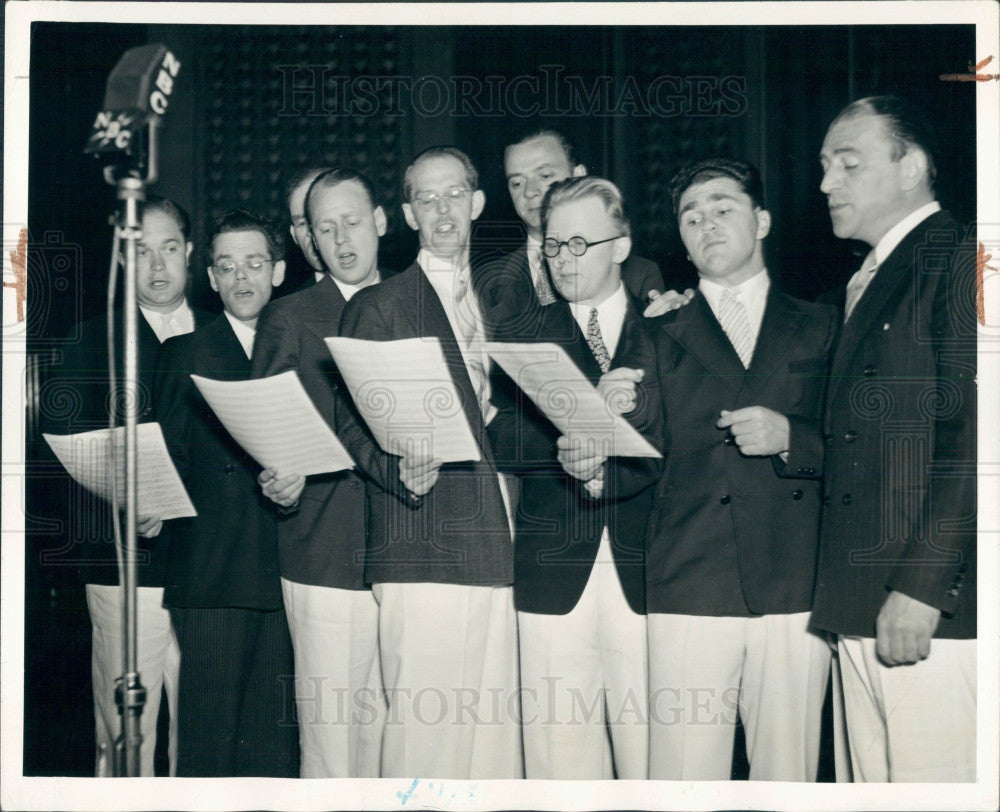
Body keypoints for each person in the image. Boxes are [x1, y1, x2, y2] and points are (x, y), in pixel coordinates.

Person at [559, 157, 837, 781]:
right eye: (692, 217)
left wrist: (793, 437)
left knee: (787, 779)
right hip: (689, 583)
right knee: (682, 783)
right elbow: (638, 458)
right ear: (679, 238)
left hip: (793, 588)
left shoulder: (821, 322)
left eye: (723, 209)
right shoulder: (654, 331)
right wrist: (593, 462)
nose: (707, 225)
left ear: (761, 221)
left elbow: (852, 446)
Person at [337, 146, 522, 779]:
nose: (442, 210)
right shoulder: (379, 305)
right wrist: (394, 470)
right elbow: (346, 422)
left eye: (453, 196)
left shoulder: (509, 299)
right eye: (426, 199)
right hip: (420, 536)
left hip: (499, 535)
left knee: (492, 741)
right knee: (424, 737)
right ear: (410, 215)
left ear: (477, 204)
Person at [811, 96, 977, 782]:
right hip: (859, 601)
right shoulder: (867, 277)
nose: (825, 184)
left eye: (849, 164)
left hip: (921, 608)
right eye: (823, 166)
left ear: (912, 168)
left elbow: (978, 439)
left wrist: (923, 585)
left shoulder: (964, 258)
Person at [488, 176, 653, 779]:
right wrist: (567, 434)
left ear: (622, 244)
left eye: (580, 243)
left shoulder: (668, 325)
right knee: (559, 760)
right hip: (551, 567)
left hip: (650, 566)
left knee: (653, 757)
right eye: (554, 246)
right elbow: (498, 438)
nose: (564, 260)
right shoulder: (522, 332)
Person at [41, 195, 209, 775]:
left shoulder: (229, 334)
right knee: (123, 732)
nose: (158, 267)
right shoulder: (93, 338)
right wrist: (127, 496)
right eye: (141, 253)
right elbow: (65, 437)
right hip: (121, 563)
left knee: (202, 731)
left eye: (169, 249)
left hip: (209, 567)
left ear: (189, 253)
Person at [251, 169, 388, 778]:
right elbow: (267, 435)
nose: (341, 238)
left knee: (398, 736)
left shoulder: (418, 303)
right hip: (327, 550)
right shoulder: (289, 317)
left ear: (382, 222)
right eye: (324, 227)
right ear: (309, 238)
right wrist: (279, 479)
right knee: (332, 740)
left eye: (352, 222)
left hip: (415, 554)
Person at [152, 209, 297, 777]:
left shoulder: (307, 347)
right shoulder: (185, 353)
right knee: (209, 751)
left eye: (255, 263)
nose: (242, 278)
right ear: (210, 277)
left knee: (275, 754)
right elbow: (164, 461)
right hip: (212, 576)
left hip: (290, 577)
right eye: (227, 266)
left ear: (279, 271)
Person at [479, 129, 671, 339]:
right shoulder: (484, 284)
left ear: (578, 175)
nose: (529, 192)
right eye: (517, 183)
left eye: (544, 176)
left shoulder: (639, 275)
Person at [286, 167, 330, 286]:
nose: (312, 232)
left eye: (320, 219)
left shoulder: (385, 288)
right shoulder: (291, 304)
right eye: (302, 223)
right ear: (294, 236)